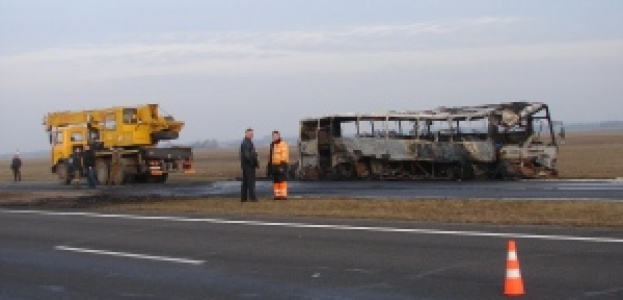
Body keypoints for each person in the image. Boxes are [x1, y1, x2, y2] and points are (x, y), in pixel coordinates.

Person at [268, 131, 289, 200]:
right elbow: (271, 156)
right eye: (273, 136)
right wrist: (269, 166)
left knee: (282, 180)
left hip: (281, 164)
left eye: (276, 136)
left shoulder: (283, 144)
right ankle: (277, 195)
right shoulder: (272, 144)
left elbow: (284, 155)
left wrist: (282, 165)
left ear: (279, 136)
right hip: (274, 165)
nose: (275, 137)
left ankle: (283, 195)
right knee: (276, 181)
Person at [240, 128, 259, 202]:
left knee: (245, 182)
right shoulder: (246, 143)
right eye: (250, 133)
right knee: (250, 182)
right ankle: (252, 198)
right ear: (246, 134)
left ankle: (244, 198)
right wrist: (254, 154)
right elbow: (247, 155)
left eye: (252, 134)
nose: (251, 135)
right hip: (248, 165)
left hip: (246, 164)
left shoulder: (248, 142)